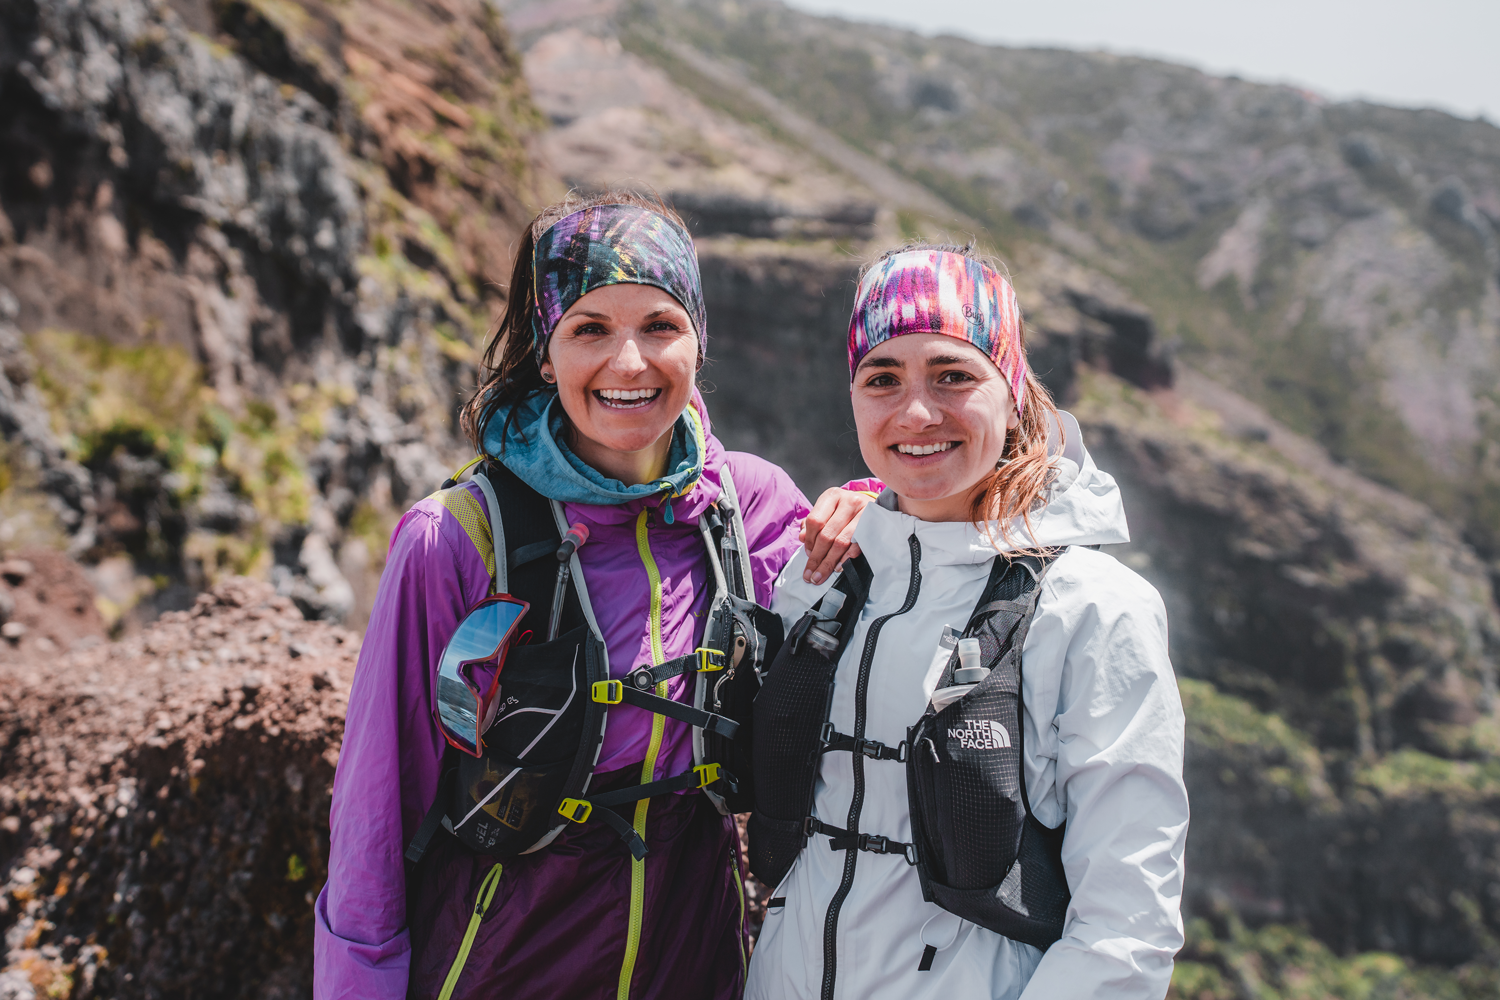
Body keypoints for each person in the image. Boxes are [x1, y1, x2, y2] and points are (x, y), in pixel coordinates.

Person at [314, 192, 871, 1000]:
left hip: (697, 958)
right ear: (547, 354)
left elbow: (895, 576)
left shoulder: (747, 505)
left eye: (660, 326)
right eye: (590, 329)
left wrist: (874, 501)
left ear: (698, 343)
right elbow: (376, 806)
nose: (630, 363)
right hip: (502, 964)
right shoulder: (457, 538)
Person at [746, 243, 1189, 999]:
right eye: (882, 378)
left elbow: (1127, 927)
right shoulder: (824, 578)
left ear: (1012, 389)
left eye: (953, 374)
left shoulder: (1092, 608)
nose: (916, 412)